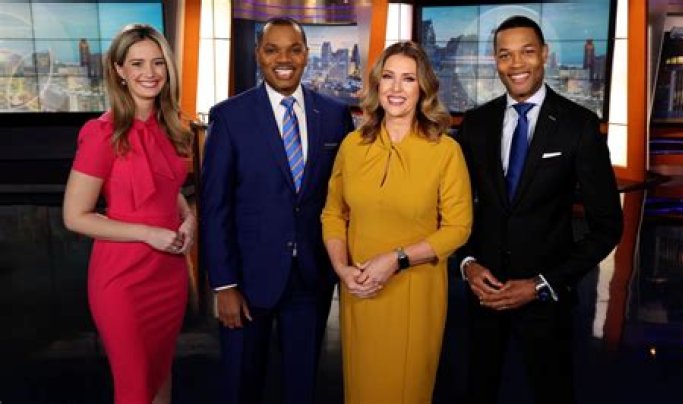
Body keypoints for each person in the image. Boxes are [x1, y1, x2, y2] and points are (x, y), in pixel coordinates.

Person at [456, 15, 624, 404]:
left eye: (527, 52)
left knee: (553, 393)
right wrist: (467, 264)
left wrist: (540, 284)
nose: (516, 64)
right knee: (478, 391)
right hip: (483, 295)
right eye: (505, 55)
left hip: (547, 301)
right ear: (495, 61)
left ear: (544, 54)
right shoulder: (476, 124)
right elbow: (455, 210)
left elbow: (607, 226)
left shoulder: (579, 126)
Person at [200, 17, 354, 404]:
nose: (283, 59)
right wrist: (224, 285)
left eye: (294, 49)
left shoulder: (335, 115)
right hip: (247, 281)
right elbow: (215, 207)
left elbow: (344, 199)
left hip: (311, 280)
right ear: (258, 55)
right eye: (272, 50)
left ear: (306, 55)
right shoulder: (229, 117)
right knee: (241, 385)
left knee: (301, 387)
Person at [321, 41, 473, 403]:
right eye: (388, 77)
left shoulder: (445, 151)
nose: (396, 88)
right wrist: (342, 269)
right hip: (360, 289)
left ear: (423, 88)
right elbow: (333, 213)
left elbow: (458, 228)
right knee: (362, 388)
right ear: (377, 84)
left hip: (414, 293)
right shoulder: (352, 145)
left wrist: (397, 259)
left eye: (408, 79)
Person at [62, 24, 194, 404]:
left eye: (158, 63)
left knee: (160, 377)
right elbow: (75, 216)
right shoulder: (101, 133)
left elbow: (167, 190)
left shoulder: (172, 126)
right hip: (122, 279)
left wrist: (189, 219)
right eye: (137, 63)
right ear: (119, 70)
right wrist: (148, 233)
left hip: (168, 274)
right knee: (135, 387)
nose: (149, 73)